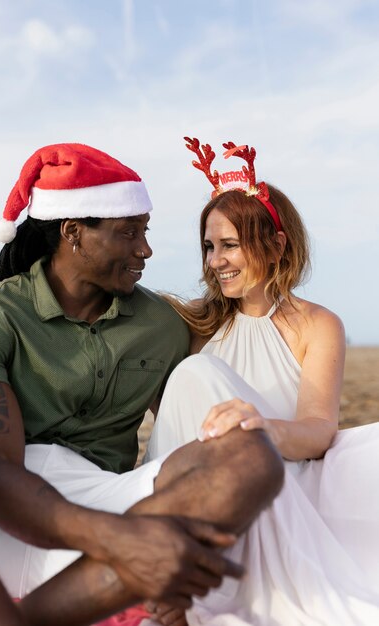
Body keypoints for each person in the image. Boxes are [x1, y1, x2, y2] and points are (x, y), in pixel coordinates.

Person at [0, 142, 284, 625]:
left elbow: (195, 407)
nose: (146, 248)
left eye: (145, 232)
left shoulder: (161, 323)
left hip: (110, 504)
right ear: (73, 233)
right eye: (129, 232)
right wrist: (121, 540)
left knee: (252, 458)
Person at [145, 138, 379, 625]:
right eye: (209, 247)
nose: (215, 261)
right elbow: (169, 407)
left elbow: (318, 429)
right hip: (191, 478)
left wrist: (264, 429)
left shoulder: (318, 325)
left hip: (275, 478)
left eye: (229, 245)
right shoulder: (197, 325)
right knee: (195, 372)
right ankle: (167, 562)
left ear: (276, 243)